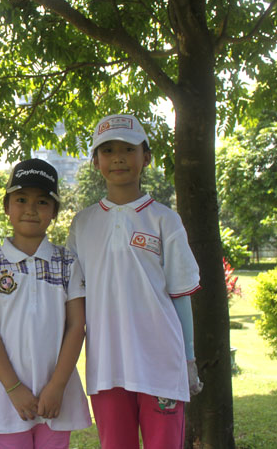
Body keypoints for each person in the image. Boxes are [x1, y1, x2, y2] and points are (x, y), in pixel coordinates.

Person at [67, 114, 203, 449]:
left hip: (162, 365)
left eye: (128, 149)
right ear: (96, 161)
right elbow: (73, 300)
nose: (118, 158)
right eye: (108, 150)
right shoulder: (82, 223)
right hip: (107, 367)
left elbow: (180, 294)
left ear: (146, 157)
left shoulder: (165, 220)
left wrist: (188, 360)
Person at [0, 159, 92, 449]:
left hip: (57, 398)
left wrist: (57, 386)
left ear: (54, 211)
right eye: (21, 199)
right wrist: (13, 388)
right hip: (7, 401)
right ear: (7, 206)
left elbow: (77, 326)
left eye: (42, 202)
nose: (30, 209)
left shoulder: (68, 263)